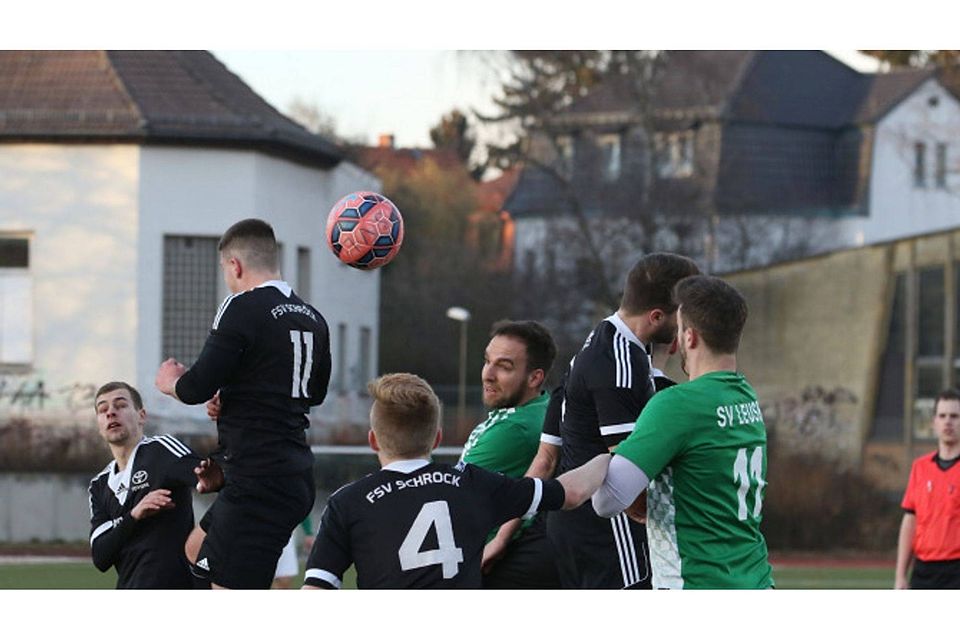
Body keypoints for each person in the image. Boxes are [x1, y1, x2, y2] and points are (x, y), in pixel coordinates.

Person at [301, 373, 609, 589]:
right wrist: (617, 454)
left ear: (372, 440)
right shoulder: (472, 483)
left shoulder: (347, 502)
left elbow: (317, 589)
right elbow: (572, 492)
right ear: (437, 438)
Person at [155, 218, 331, 589]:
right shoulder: (313, 318)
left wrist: (170, 382)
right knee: (195, 548)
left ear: (234, 265)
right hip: (292, 476)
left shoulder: (240, 305)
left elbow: (195, 387)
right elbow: (312, 394)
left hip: (259, 482)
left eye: (224, 269)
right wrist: (234, 398)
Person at [592, 275, 774, 589]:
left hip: (696, 583)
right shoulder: (746, 397)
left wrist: (603, 457)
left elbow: (607, 500)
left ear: (689, 337)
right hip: (755, 581)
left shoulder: (678, 404)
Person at [545, 251, 700, 589]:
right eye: (682, 317)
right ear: (657, 316)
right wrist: (661, 522)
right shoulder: (619, 363)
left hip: (581, 522)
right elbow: (626, 469)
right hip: (605, 528)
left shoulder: (620, 342)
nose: (687, 328)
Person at [87, 381, 222, 588]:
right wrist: (134, 515)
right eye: (103, 409)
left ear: (141, 416)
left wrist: (211, 479)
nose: (111, 413)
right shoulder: (99, 485)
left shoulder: (161, 451)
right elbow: (101, 556)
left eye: (121, 405)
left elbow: (208, 477)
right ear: (99, 425)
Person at [459, 320, 560, 588]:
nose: (487, 374)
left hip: (485, 565)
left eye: (504, 366)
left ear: (534, 377)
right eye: (487, 361)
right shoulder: (540, 407)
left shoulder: (516, 428)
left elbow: (452, 498)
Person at [895, 388, 960, 589]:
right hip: (923, 571)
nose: (948, 421)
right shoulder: (920, 468)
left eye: (955, 416)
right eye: (942, 416)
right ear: (934, 423)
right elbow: (910, 521)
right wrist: (900, 576)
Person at [272, 517, 315, 589]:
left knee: (285, 579)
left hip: (284, 534)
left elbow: (300, 507)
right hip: (256, 533)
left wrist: (308, 532)